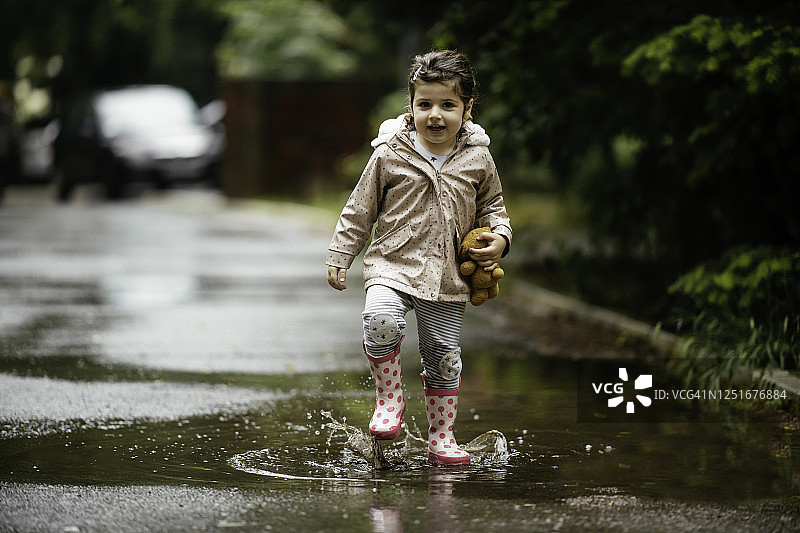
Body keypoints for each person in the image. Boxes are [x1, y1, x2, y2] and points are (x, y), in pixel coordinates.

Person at [325, 50, 512, 466]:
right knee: (381, 320)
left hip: (448, 276)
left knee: (443, 357)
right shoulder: (390, 153)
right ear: (410, 106)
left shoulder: (478, 158)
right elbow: (360, 208)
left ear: (467, 108)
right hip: (391, 263)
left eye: (448, 105)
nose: (435, 115)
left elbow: (494, 207)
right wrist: (341, 252)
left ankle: (441, 438)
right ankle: (389, 400)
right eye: (424, 104)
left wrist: (500, 237)